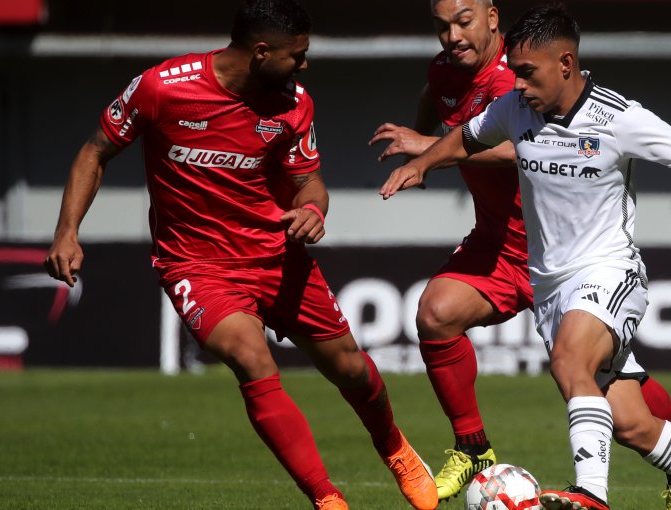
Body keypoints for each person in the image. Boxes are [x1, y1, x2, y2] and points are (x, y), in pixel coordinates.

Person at [380, 4, 671, 510]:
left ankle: (590, 495)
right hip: (551, 286)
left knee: (569, 362)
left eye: (528, 73)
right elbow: (465, 139)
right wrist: (422, 163)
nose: (520, 84)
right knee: (635, 427)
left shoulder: (618, 117)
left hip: (609, 272)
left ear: (567, 64)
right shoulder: (514, 108)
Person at [42, 1, 437, 509]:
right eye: (298, 55)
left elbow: (309, 183)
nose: (305, 65)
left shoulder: (294, 103)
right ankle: (328, 499)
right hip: (195, 265)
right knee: (252, 361)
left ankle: (395, 448)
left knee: (351, 369)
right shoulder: (162, 87)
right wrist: (67, 232)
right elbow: (95, 150)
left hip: (276, 255)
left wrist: (314, 210)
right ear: (261, 52)